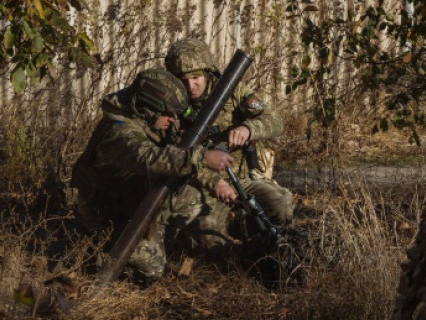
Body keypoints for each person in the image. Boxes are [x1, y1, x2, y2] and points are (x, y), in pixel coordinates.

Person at [70, 68, 235, 283]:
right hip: (107, 212)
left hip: (135, 195)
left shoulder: (147, 120)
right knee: (152, 269)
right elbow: (148, 157)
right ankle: (92, 248)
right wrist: (202, 158)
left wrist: (214, 182)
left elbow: (174, 154)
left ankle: (202, 249)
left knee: (198, 199)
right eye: (167, 114)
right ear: (146, 108)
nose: (172, 120)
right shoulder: (118, 130)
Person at [164, 39, 293, 248]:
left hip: (243, 180)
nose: (190, 86)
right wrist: (214, 182)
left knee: (281, 204)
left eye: (196, 77)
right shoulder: (170, 105)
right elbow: (170, 157)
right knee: (210, 234)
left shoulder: (232, 92)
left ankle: (252, 238)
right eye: (183, 80)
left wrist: (248, 129)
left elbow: (275, 121)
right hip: (201, 186)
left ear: (207, 72)